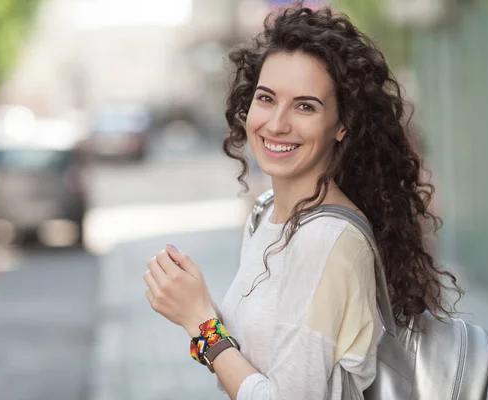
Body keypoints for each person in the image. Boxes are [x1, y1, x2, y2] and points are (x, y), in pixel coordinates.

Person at [142, 5, 462, 399]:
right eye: (266, 98)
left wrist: (202, 325)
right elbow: (261, 361)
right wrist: (199, 303)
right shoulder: (266, 214)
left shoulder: (324, 240)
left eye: (305, 106)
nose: (276, 123)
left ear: (343, 124)